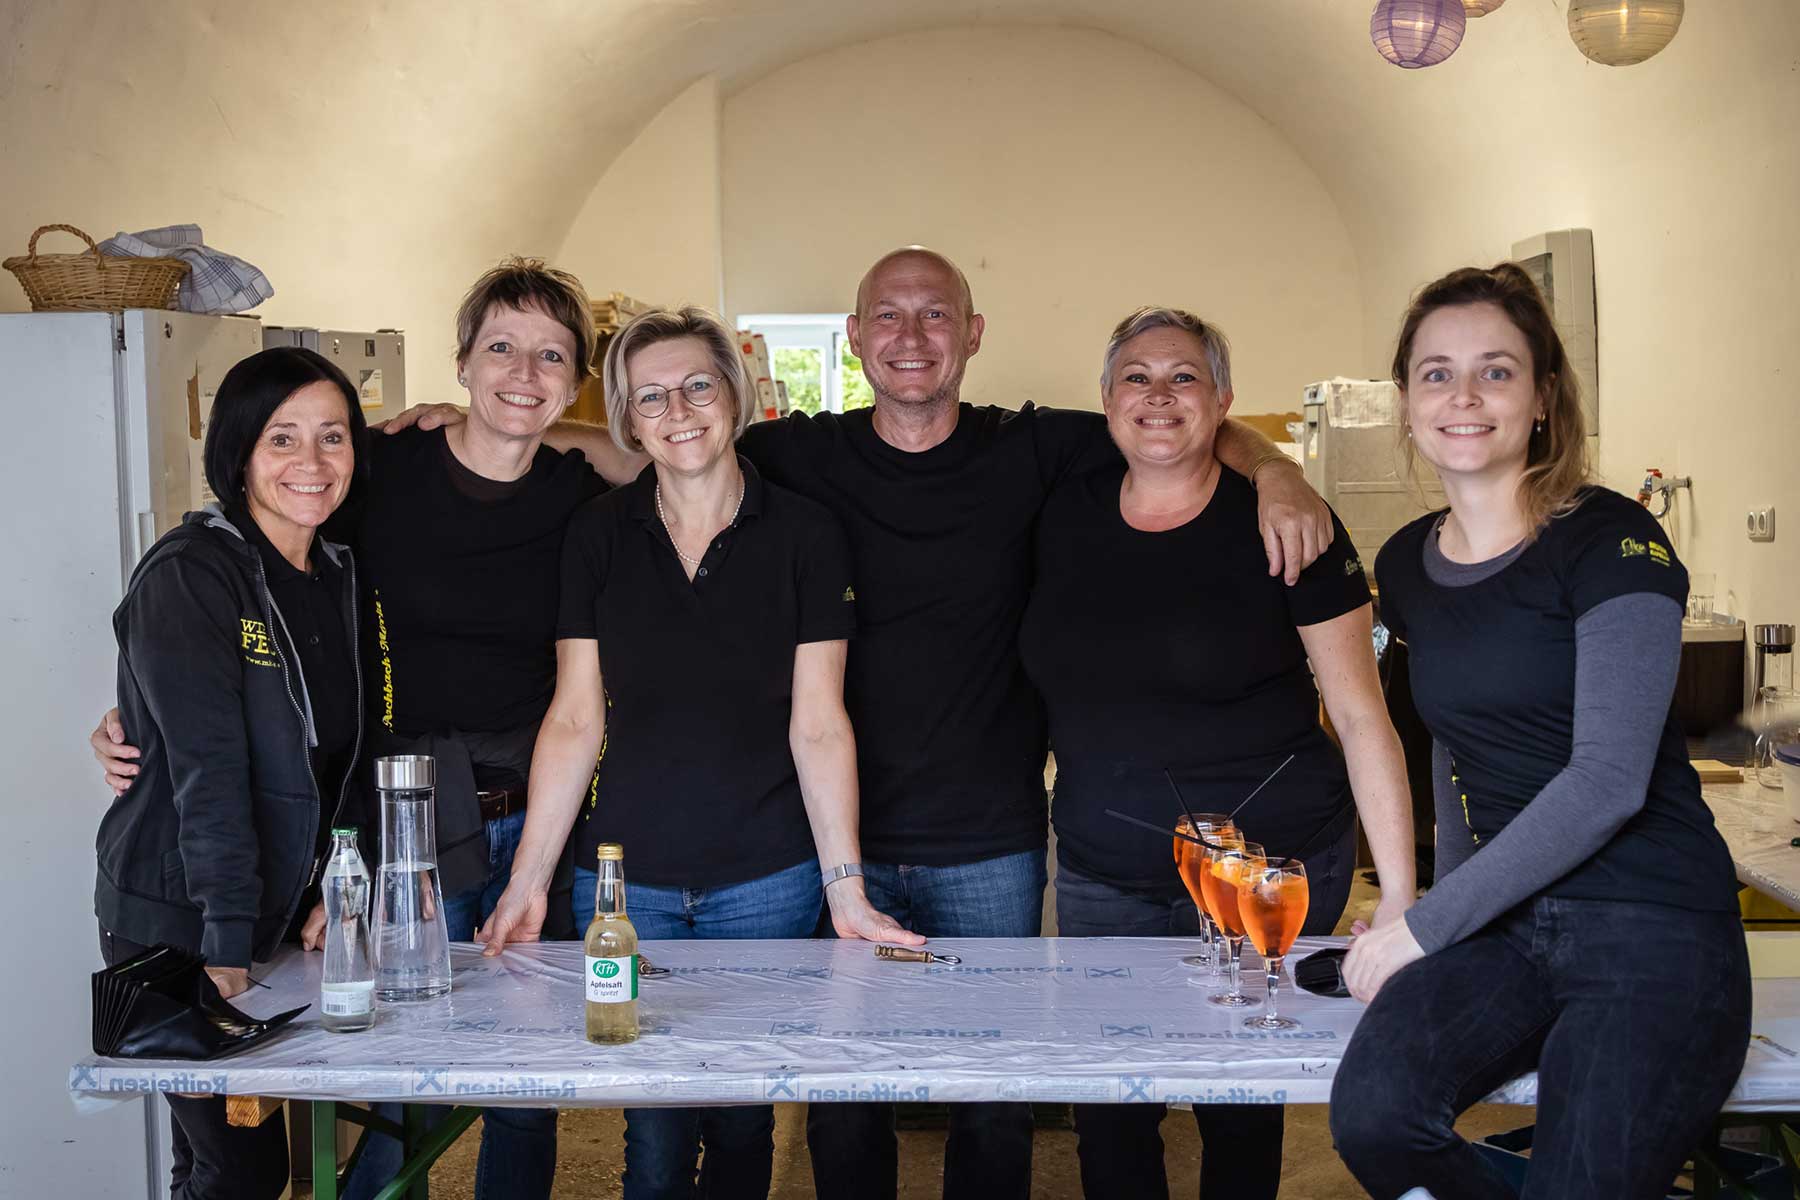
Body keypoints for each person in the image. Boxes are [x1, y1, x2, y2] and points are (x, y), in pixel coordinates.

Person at [375, 246, 1337, 1199]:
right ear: (853, 337)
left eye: (934, 314)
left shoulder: (1029, 450)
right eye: (887, 315)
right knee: (832, 1097)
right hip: (824, 839)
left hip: (983, 839)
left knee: (990, 1089)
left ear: (972, 334)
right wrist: (485, 418)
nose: (910, 336)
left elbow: (1169, 421)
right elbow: (658, 444)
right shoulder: (792, 462)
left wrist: (1277, 470)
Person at [92, 258, 645, 1200]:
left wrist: (528, 412)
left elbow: (678, 453)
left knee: (526, 1076)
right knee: (390, 1075)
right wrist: (141, 716)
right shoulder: (369, 483)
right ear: (460, 359)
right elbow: (212, 740)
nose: (523, 372)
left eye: (552, 356)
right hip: (402, 827)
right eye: (500, 350)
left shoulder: (568, 494)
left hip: (530, 817)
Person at [477, 306, 918, 1200]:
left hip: (768, 880)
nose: (677, 410)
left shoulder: (805, 532)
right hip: (624, 883)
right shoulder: (599, 532)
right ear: (627, 420)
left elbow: (819, 723)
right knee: (654, 1127)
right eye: (651, 397)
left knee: (742, 1116)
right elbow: (574, 719)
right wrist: (528, 882)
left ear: (735, 396)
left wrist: (844, 887)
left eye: (696, 386)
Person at [1329, 264, 1750, 1199]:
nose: (1464, 396)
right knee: (1375, 1118)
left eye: (1496, 371)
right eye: (1436, 374)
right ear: (1407, 403)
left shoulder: (1612, 539)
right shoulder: (1407, 563)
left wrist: (1424, 928)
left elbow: (1608, 781)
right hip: (1510, 928)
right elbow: (1452, 745)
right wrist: (1436, 904)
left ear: (1545, 397)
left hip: (1653, 924)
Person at [1019, 307, 1415, 1199]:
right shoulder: (1061, 510)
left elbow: (1362, 718)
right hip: (1104, 866)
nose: (1158, 396)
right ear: (1106, 400)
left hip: (1263, 866)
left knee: (1239, 1094)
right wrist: (1277, 462)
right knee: (1111, 1101)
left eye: (1184, 377)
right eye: (1136, 377)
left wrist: (1398, 895)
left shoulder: (1290, 525)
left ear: (1224, 400)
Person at [94, 347, 369, 1200]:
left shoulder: (334, 572)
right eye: (281, 438)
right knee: (240, 1168)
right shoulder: (191, 573)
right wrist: (222, 946)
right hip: (182, 915)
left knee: (217, 1164)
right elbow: (207, 774)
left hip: (270, 915)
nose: (310, 461)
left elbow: (341, 754)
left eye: (332, 436)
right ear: (238, 453)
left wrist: (337, 880)